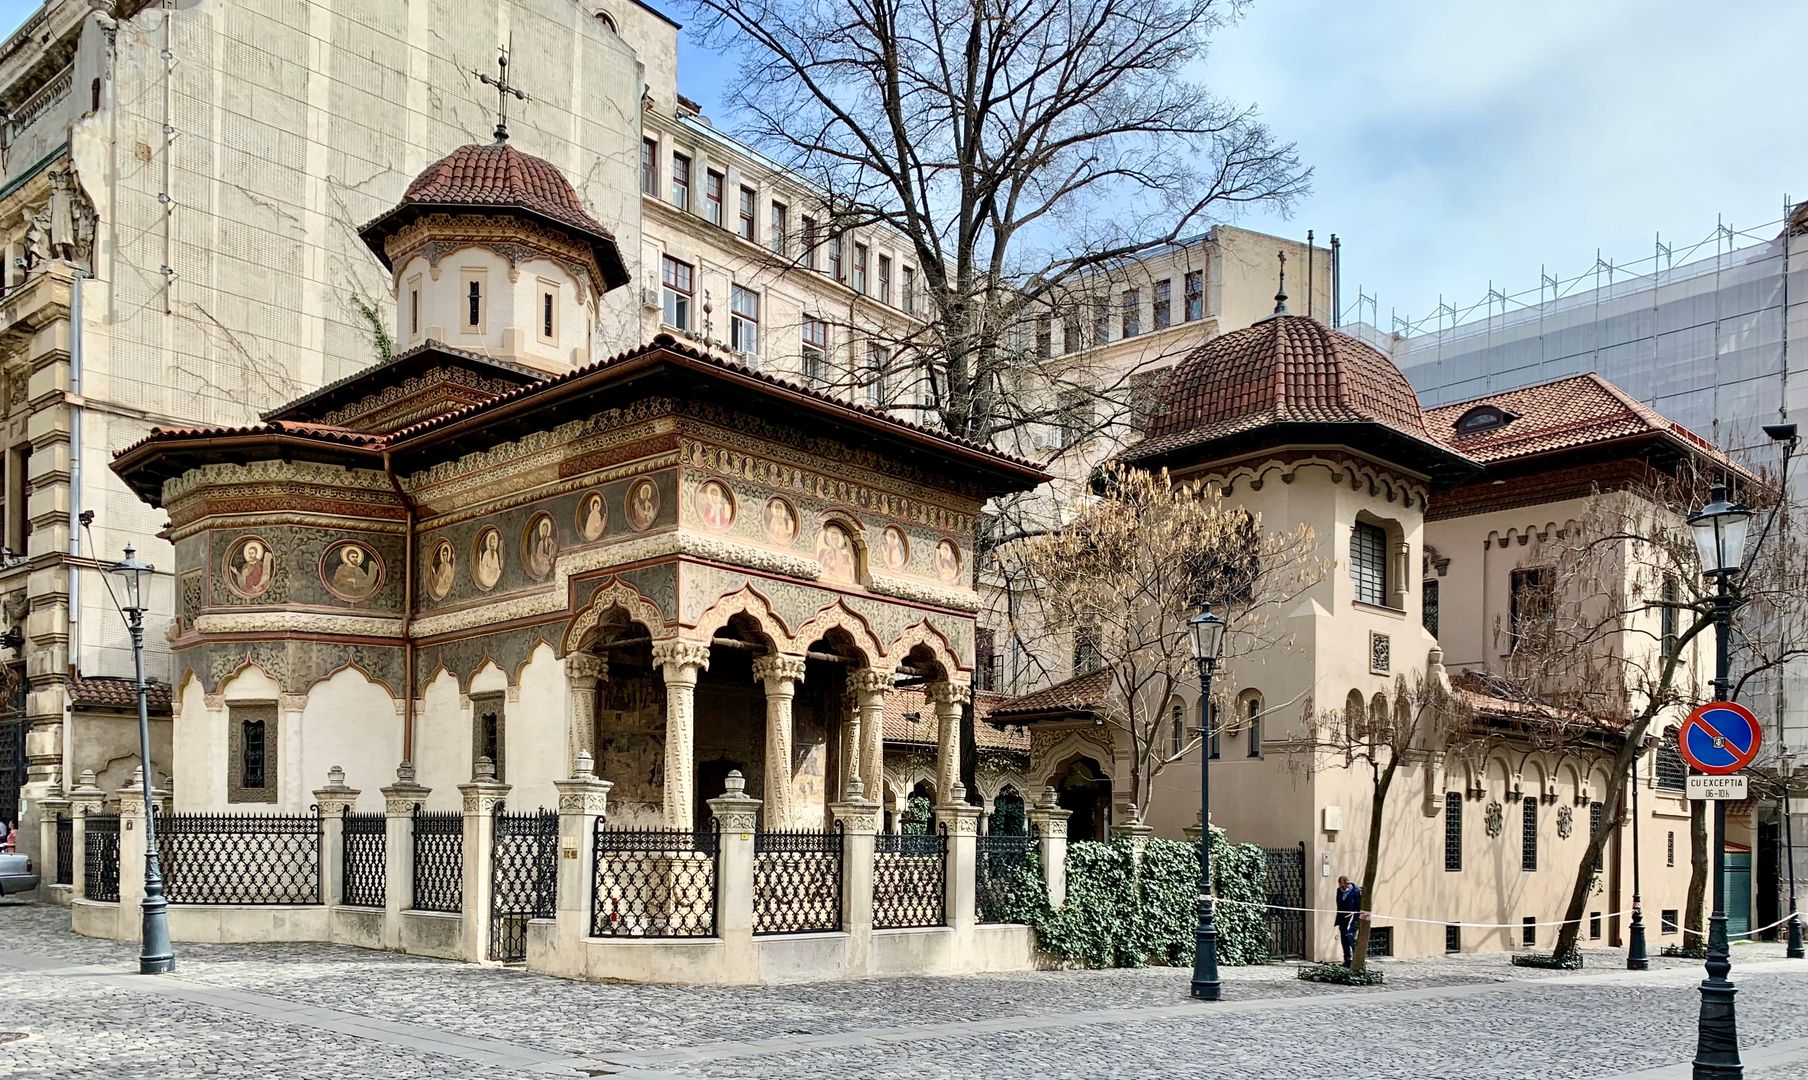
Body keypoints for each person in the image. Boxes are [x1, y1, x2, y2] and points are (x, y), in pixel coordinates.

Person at [1336, 875, 1364, 967]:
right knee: (1344, 939)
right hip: (1343, 919)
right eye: (1340, 886)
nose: (1342, 888)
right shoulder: (1339, 891)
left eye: (1343, 886)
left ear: (1347, 883)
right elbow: (1339, 905)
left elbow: (1360, 906)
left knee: (1350, 936)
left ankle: (1358, 959)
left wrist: (1358, 918)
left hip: (1354, 918)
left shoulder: (1357, 891)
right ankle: (1347, 960)